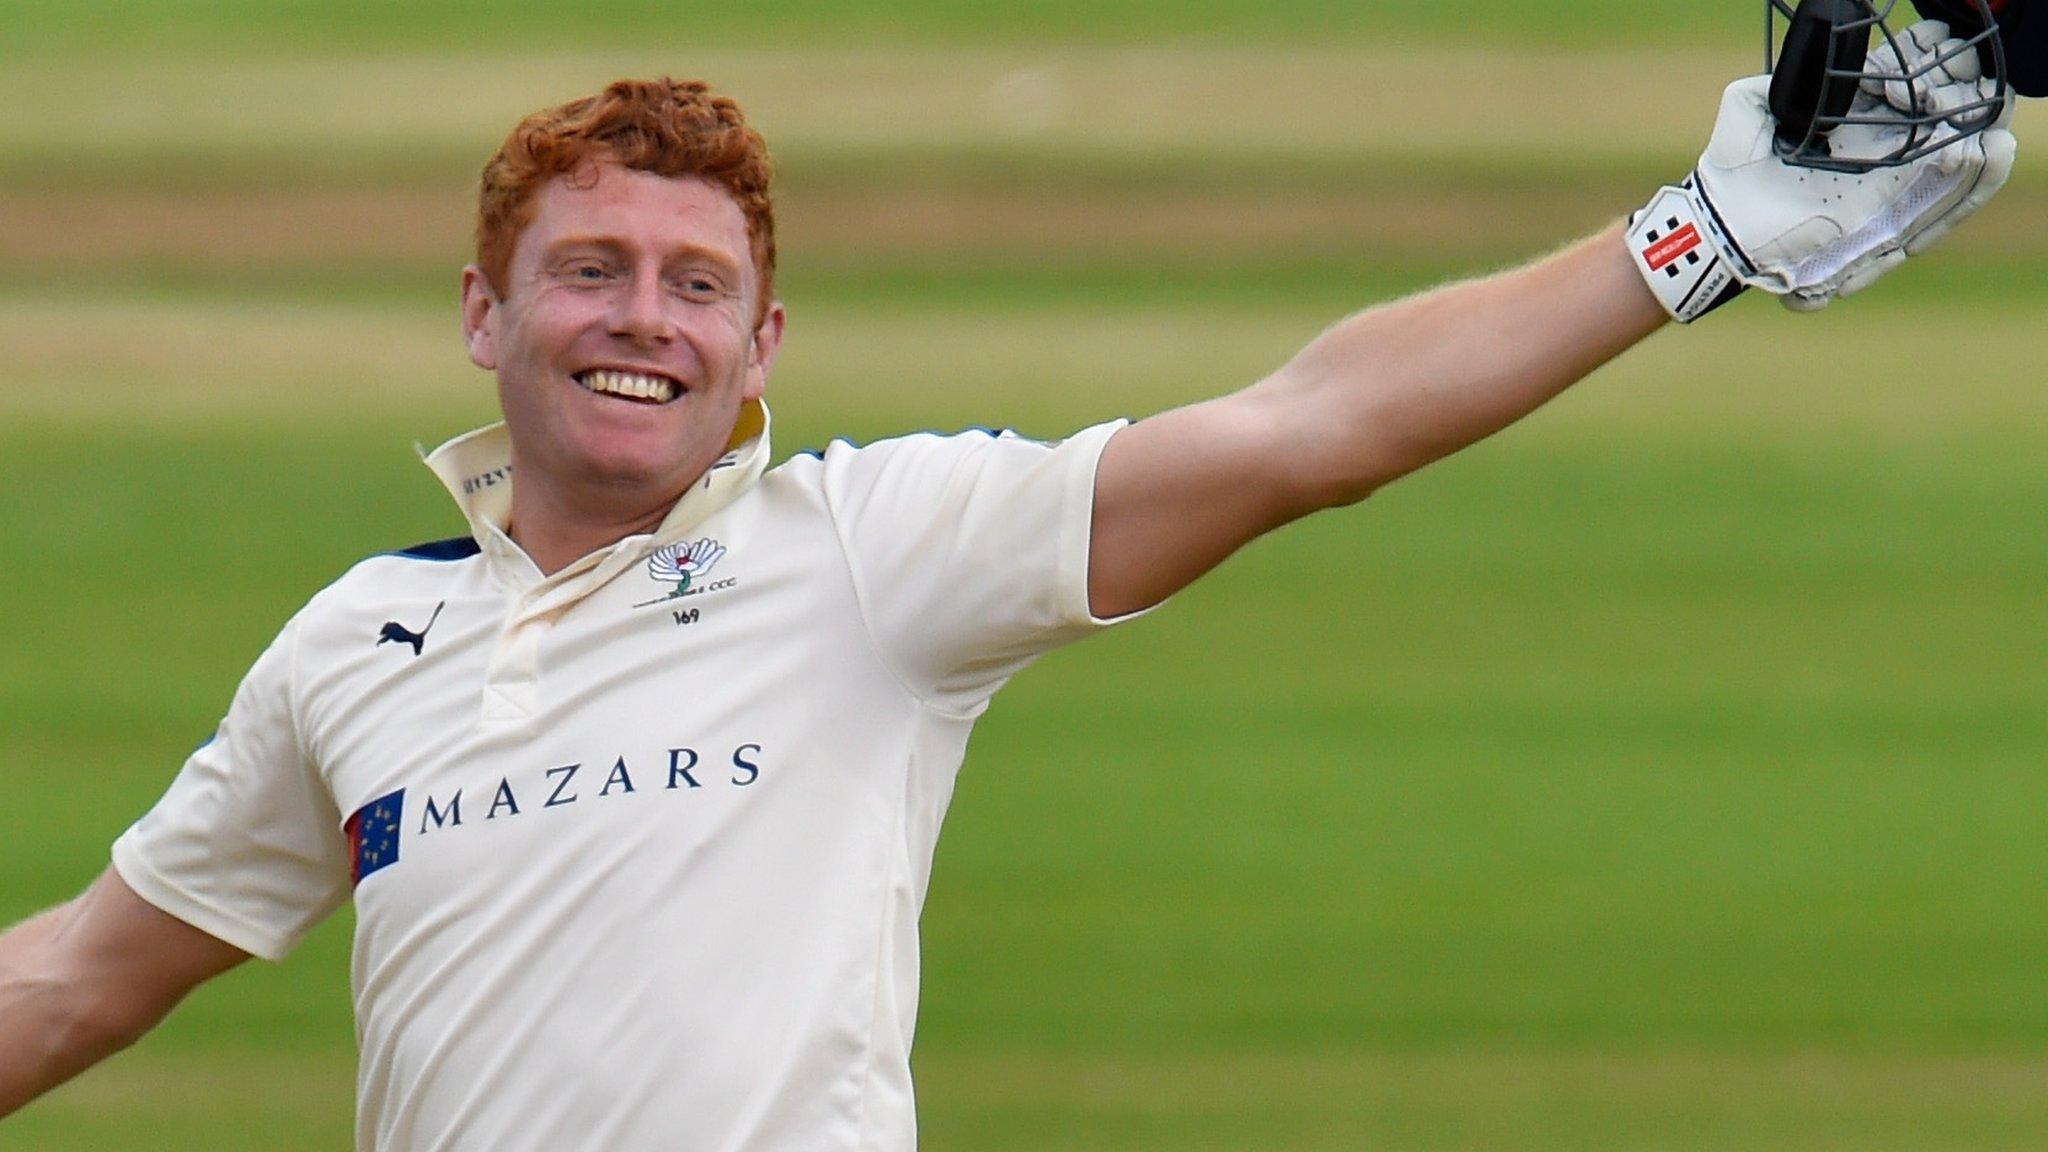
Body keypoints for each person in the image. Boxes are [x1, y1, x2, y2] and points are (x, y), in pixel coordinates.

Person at [0, 21, 2017, 1151]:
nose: (644, 322)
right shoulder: (357, 646)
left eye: (697, 288)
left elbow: (1301, 431)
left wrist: (1689, 239)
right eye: (591, 273)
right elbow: (85, 974)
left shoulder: (872, 552)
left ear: (764, 344)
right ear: (483, 313)